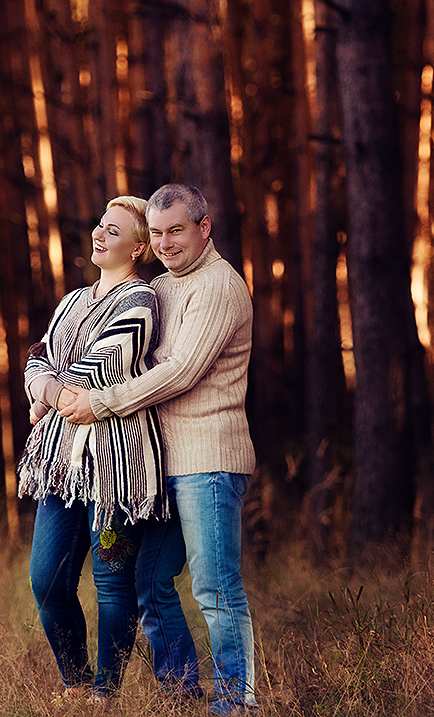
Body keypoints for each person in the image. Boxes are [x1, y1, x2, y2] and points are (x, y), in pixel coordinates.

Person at [59, 183, 258, 714]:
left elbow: (183, 371)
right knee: (149, 582)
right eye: (157, 234)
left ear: (204, 226)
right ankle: (181, 694)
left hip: (209, 461)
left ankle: (236, 704)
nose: (167, 243)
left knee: (215, 591)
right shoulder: (164, 287)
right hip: (164, 465)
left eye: (177, 230)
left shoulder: (217, 285)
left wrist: (102, 403)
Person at [17, 195, 167, 702]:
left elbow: (106, 367)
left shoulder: (142, 301)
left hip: (116, 469)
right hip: (59, 463)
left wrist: (47, 389)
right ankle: (75, 685)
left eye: (115, 231)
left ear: (139, 247)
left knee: (112, 580)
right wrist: (51, 388)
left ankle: (105, 696)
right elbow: (36, 358)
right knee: (47, 582)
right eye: (100, 225)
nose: (99, 235)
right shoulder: (74, 300)